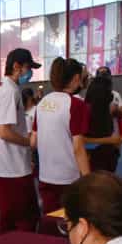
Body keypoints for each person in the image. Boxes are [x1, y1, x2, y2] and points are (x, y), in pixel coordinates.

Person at [0, 48, 41, 234]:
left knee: (10, 218)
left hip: (10, 165)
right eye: (28, 67)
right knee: (24, 219)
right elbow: (4, 132)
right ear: (16, 66)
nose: (29, 72)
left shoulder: (3, 90)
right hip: (14, 167)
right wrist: (29, 143)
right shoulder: (10, 92)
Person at [32, 57, 90, 213]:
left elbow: (33, 141)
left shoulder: (43, 102)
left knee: (50, 219)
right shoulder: (77, 104)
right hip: (68, 178)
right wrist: (88, 181)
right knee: (71, 222)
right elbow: (78, 148)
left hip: (45, 175)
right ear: (77, 78)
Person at [83, 76, 122, 172]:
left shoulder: (105, 108)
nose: (111, 94)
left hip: (107, 155)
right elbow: (80, 139)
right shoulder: (86, 110)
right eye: (109, 90)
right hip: (92, 158)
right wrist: (109, 140)